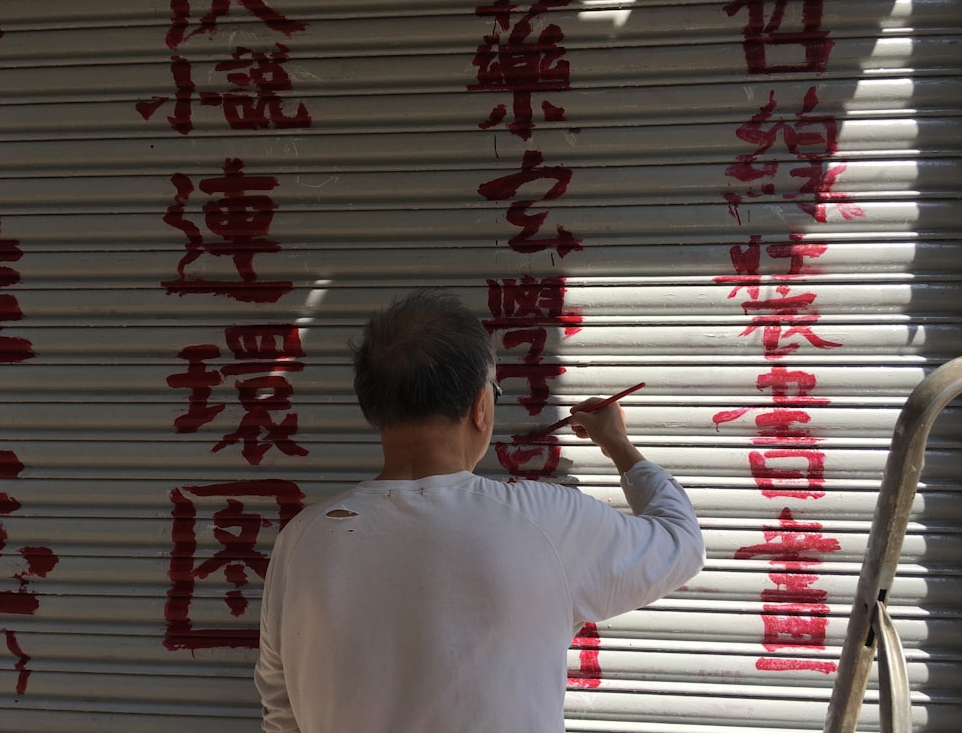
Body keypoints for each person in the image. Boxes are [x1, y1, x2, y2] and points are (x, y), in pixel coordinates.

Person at [254, 289, 705, 733]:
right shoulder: (544, 522)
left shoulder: (300, 541)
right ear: (481, 407)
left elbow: (281, 711)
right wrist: (618, 445)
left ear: (374, 407)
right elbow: (681, 544)